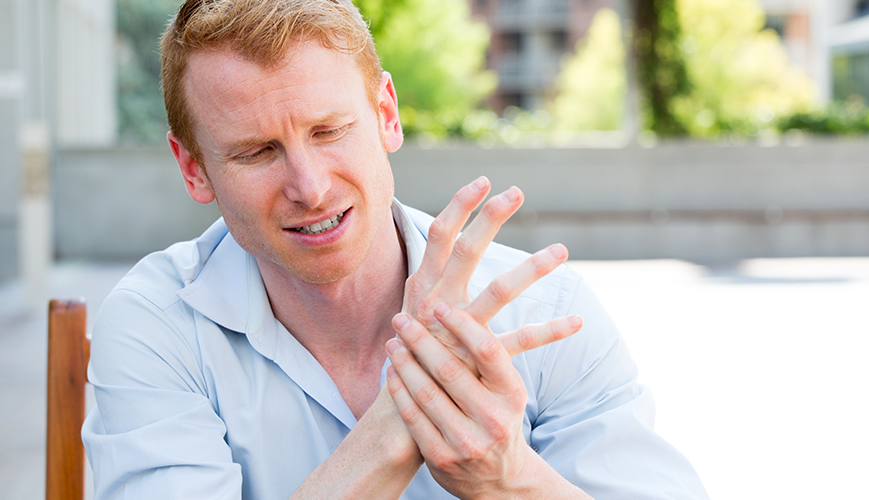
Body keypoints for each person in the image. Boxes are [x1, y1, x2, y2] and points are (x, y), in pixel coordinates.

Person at [82, 0, 709, 499]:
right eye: (256, 152)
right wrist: (399, 420)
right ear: (193, 169)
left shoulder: (544, 307)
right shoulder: (157, 324)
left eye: (330, 130)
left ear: (386, 113)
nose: (310, 187)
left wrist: (511, 479)